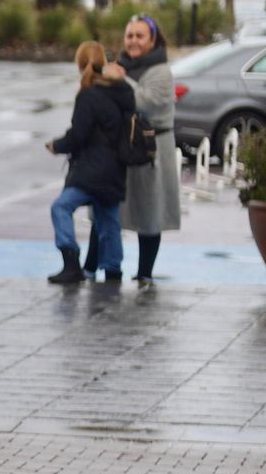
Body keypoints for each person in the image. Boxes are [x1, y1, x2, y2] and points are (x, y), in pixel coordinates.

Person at [45, 41, 135, 286]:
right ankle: (113, 272)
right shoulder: (121, 91)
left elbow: (79, 135)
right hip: (116, 168)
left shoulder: (88, 95)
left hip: (91, 169)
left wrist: (57, 145)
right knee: (108, 222)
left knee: (61, 208)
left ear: (80, 64)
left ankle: (71, 262)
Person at [102, 16, 181, 288]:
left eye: (140, 36)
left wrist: (122, 80)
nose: (133, 41)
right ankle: (102, 267)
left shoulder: (161, 71)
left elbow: (147, 102)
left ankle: (145, 272)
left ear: (153, 40)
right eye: (129, 35)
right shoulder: (118, 67)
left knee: (150, 209)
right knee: (107, 207)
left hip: (152, 150)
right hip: (122, 147)